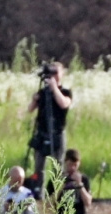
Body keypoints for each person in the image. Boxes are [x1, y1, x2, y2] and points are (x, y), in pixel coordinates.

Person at [27, 62, 72, 199]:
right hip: (42, 132)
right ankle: (38, 193)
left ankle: (56, 193)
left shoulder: (65, 91)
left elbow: (64, 104)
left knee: (57, 165)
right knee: (38, 166)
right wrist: (34, 100)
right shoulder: (43, 92)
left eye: (56, 73)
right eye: (51, 73)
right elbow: (30, 110)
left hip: (57, 133)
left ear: (61, 75)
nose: (53, 76)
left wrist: (54, 88)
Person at [47, 148, 92, 214]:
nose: (73, 168)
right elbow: (49, 203)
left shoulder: (84, 179)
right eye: (70, 164)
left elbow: (88, 202)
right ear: (65, 162)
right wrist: (61, 185)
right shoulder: (55, 179)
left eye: (75, 165)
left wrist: (80, 185)